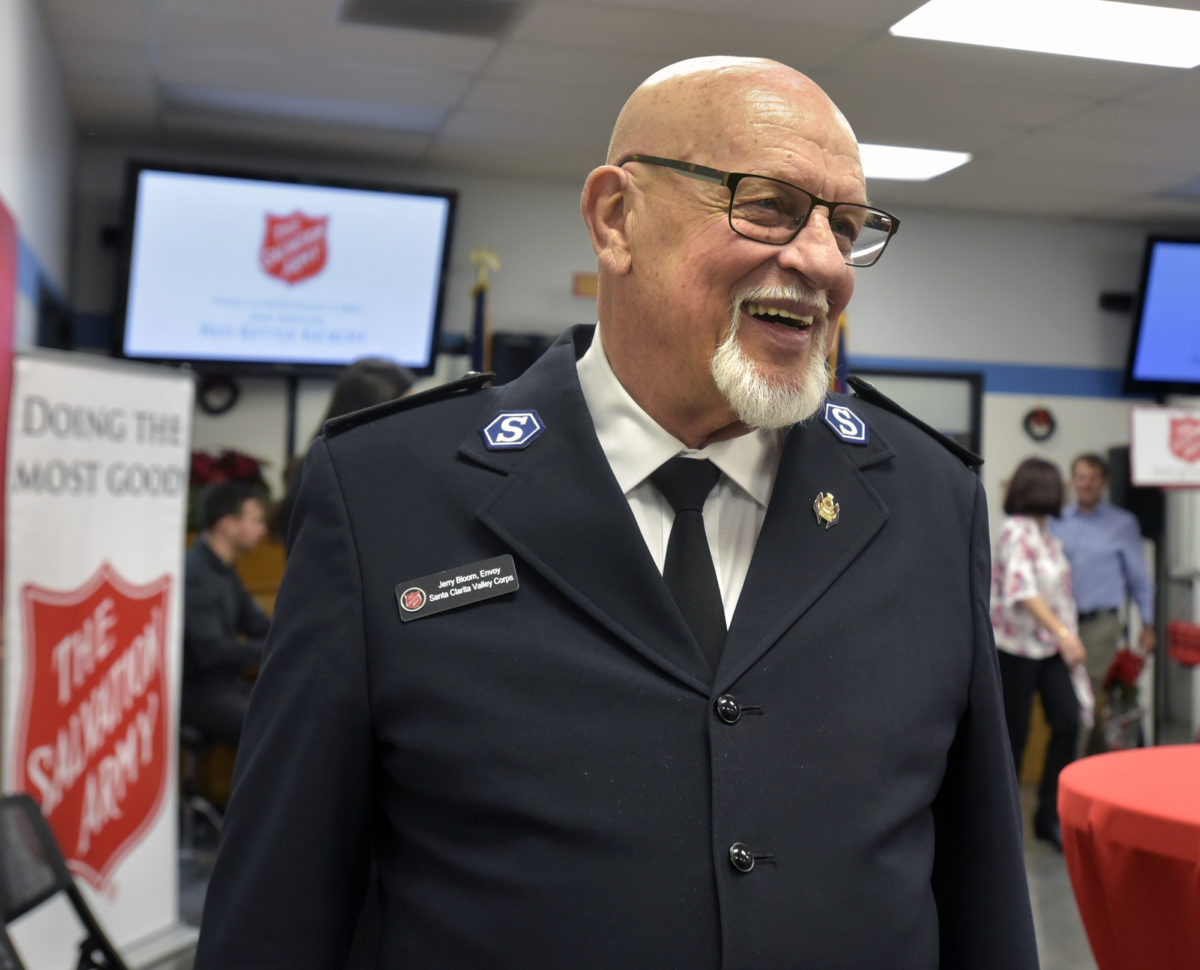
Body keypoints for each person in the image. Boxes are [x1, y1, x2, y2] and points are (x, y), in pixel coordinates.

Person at [195, 56, 1037, 969]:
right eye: (769, 206)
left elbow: (981, 886)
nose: (823, 263)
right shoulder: (389, 490)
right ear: (615, 217)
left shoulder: (926, 497)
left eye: (847, 226)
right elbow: (278, 910)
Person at [991, 457, 1088, 853]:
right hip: (1015, 647)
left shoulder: (1046, 533)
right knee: (1013, 738)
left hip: (1047, 648)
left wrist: (1063, 636)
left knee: (1067, 721)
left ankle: (1048, 816)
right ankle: (1000, 828)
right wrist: (1064, 634)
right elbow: (1022, 589)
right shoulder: (1016, 531)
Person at [1048, 452, 1156, 735]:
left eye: (1094, 478)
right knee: (1059, 700)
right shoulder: (1054, 521)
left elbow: (1139, 579)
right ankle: (1067, 764)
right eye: (1081, 478)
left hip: (1099, 625)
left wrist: (1147, 623)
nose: (1087, 484)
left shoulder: (1122, 523)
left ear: (1105, 482)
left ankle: (1075, 768)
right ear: (1072, 481)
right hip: (1057, 625)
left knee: (1085, 699)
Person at [270, 356, 415, 541]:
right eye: (406, 405)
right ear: (372, 408)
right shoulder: (331, 473)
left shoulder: (321, 461)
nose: (414, 416)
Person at [182, 480, 270, 749]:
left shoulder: (223, 570)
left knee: (297, 709)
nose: (263, 530)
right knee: (271, 727)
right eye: (255, 521)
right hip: (198, 690)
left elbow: (257, 624)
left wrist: (289, 638)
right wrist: (270, 648)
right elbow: (212, 651)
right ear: (228, 525)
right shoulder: (196, 574)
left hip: (227, 682)